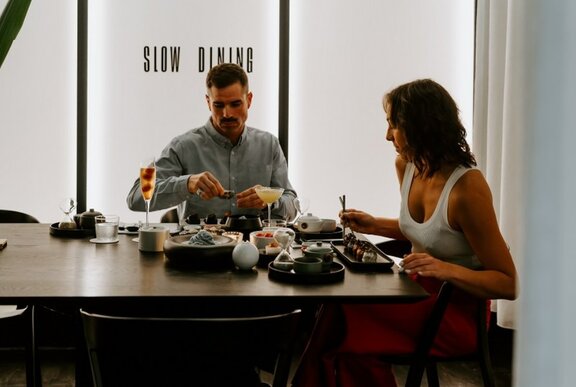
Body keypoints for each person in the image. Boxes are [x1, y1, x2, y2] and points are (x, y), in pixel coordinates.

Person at [291, 79, 517, 387]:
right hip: (413, 292)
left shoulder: (467, 189)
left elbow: (508, 283)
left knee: (343, 318)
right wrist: (375, 224)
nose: (387, 136)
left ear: (421, 126)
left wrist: (445, 269)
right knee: (334, 306)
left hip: (452, 315)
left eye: (393, 125)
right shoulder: (407, 165)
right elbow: (429, 232)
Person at [127, 63, 297, 223]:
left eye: (235, 104)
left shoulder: (269, 145)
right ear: (208, 102)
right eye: (218, 105)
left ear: (249, 100)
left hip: (256, 249)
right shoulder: (183, 147)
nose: (227, 113)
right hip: (198, 249)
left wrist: (271, 201)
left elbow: (293, 206)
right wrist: (186, 184)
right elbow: (135, 198)